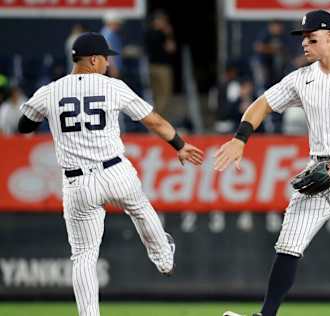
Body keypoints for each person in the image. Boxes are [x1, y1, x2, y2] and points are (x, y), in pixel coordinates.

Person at [217, 10, 330, 316]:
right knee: (288, 243)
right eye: (303, 38)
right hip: (318, 171)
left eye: (312, 38)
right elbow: (261, 105)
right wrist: (240, 137)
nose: (305, 44)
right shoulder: (303, 78)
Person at [17, 32, 203, 316]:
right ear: (93, 59)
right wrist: (179, 144)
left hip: (77, 182)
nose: (107, 63)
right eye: (105, 58)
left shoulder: (50, 91)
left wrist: (48, 114)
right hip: (114, 170)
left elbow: (24, 126)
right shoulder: (112, 86)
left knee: (83, 255)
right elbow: (153, 120)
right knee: (140, 208)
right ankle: (163, 258)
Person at [145, 10, 177, 116]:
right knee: (164, 94)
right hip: (162, 68)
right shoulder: (162, 34)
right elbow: (171, 48)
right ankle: (158, 117)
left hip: (151, 67)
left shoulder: (148, 32)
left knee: (156, 95)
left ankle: (155, 118)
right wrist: (169, 34)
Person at [101, 11, 123, 78]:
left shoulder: (110, 33)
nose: (119, 25)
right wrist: (113, 68)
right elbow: (108, 52)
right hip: (111, 68)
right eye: (117, 23)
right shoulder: (108, 34)